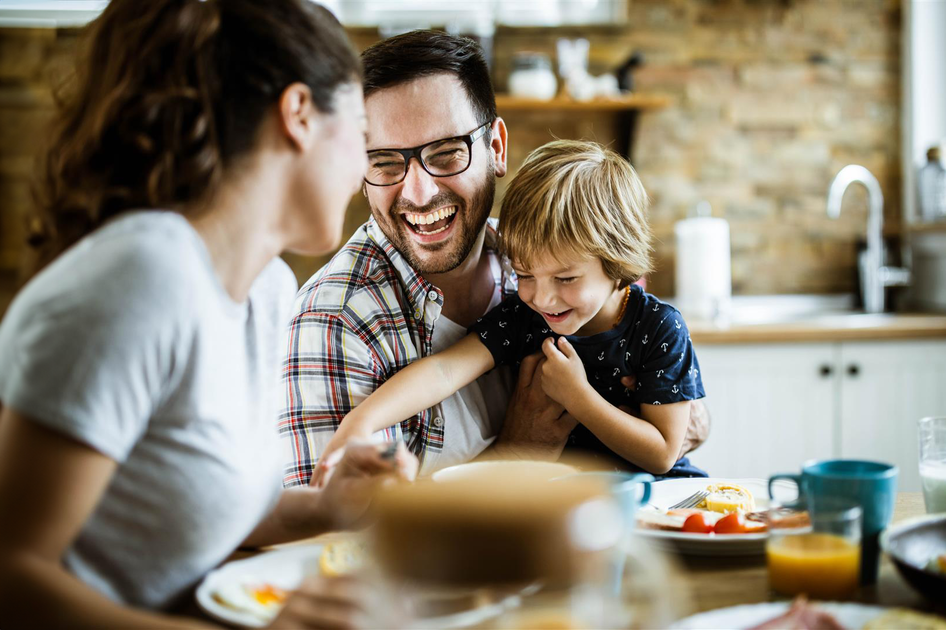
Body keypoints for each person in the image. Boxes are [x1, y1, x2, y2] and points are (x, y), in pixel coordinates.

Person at [0, 1, 416, 628]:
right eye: (360, 133)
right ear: (299, 114)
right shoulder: (143, 279)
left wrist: (329, 507)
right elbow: (12, 578)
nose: (364, 169)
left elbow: (189, 512)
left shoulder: (267, 289)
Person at [281, 30, 710, 484]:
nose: (419, 193)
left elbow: (673, 435)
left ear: (497, 148)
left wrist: (666, 406)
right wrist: (519, 452)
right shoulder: (335, 322)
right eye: (385, 162)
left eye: (447, 153)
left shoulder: (535, 253)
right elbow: (344, 527)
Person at [315, 140, 706, 479]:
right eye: (525, 274)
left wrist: (577, 396)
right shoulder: (524, 317)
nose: (543, 298)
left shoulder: (659, 327)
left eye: (566, 278)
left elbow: (662, 453)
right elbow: (444, 370)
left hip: (657, 500)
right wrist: (361, 422)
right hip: (566, 505)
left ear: (618, 261)